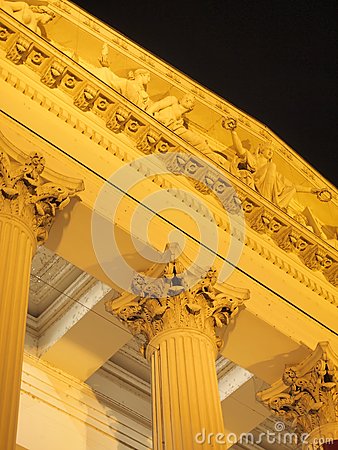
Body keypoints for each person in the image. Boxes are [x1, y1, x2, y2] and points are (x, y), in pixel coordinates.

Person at [223, 118, 320, 210]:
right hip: (256, 184)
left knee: (291, 188)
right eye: (268, 149)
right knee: (271, 166)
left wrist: (312, 190)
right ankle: (266, 198)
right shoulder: (254, 160)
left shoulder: (273, 173)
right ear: (261, 150)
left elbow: (294, 186)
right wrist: (233, 132)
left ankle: (269, 200)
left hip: (269, 193)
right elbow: (240, 150)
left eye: (272, 151)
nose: (271, 152)